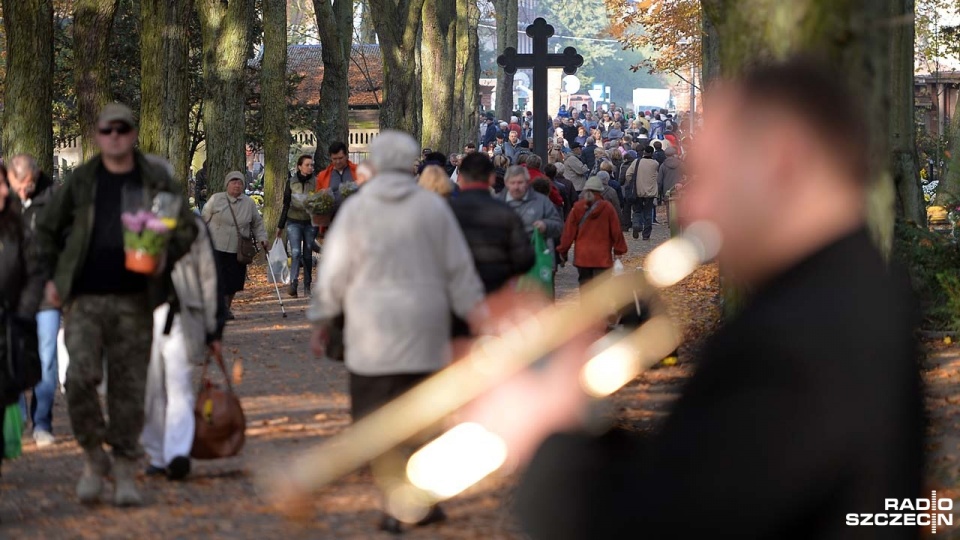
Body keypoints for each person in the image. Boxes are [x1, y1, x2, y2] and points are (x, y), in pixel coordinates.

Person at [460, 57, 922, 540]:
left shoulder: (800, 337)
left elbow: (667, 523)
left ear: (784, 160)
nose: (697, 205)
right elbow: (711, 480)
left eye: (713, 175)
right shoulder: (841, 296)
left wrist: (547, 438)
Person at [308, 131, 486, 534]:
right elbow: (458, 269)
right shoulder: (432, 208)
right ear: (409, 164)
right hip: (424, 326)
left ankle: (394, 498)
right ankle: (423, 494)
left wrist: (322, 319)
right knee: (424, 410)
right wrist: (476, 313)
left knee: (374, 416)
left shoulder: (356, 211)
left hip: (370, 330)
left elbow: (334, 272)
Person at [35, 103, 197, 506]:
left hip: (135, 300)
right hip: (85, 300)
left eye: (122, 129)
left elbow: (187, 225)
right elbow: (47, 230)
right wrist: (54, 279)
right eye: (107, 130)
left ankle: (125, 469)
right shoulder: (83, 178)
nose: (114, 137)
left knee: (129, 388)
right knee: (78, 380)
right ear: (97, 135)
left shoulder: (154, 177)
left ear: (133, 133)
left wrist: (166, 254)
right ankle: (93, 458)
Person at [141, 156, 224, 481]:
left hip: (181, 314)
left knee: (178, 384)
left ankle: (176, 453)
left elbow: (208, 276)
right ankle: (157, 453)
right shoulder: (129, 222)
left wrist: (213, 326)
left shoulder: (192, 226)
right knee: (149, 390)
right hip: (141, 316)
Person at [7, 155, 58, 447]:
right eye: (18, 187)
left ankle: (42, 421)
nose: (23, 193)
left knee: (47, 359)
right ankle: (20, 413)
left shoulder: (54, 199)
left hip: (45, 295)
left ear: (36, 176)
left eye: (27, 186)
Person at [0, 163, 43, 476]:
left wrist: (23, 313)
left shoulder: (16, 228)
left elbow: (34, 274)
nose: (5, 191)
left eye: (5, 183)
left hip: (8, 331)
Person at [450, 153, 535, 294]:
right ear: (492, 178)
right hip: (497, 295)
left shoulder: (447, 211)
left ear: (461, 178)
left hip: (458, 293)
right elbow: (524, 259)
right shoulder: (506, 213)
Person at [202, 171, 269, 320]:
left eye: (240, 182)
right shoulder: (216, 199)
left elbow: (257, 224)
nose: (237, 185)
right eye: (233, 182)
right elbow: (203, 219)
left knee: (233, 281)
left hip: (237, 248)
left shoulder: (249, 203)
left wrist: (263, 238)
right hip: (215, 245)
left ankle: (226, 307)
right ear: (227, 184)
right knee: (216, 278)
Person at [558, 176, 627, 287]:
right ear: (600, 191)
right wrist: (619, 251)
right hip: (602, 256)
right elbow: (616, 231)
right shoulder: (607, 208)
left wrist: (563, 251)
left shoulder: (577, 208)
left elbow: (568, 233)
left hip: (583, 256)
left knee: (585, 289)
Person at [277, 155, 318, 298]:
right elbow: (286, 204)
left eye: (312, 165)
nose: (310, 167)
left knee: (307, 254)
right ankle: (293, 284)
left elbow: (321, 202)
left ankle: (307, 286)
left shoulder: (316, 182)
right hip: (294, 221)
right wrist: (280, 226)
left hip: (310, 222)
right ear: (299, 167)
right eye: (307, 165)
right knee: (295, 253)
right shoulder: (291, 182)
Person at [498, 166, 564, 245]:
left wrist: (545, 225)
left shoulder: (542, 202)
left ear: (527, 182)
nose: (516, 187)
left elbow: (558, 226)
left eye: (520, 182)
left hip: (534, 252)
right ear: (506, 183)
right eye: (512, 183)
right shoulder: (496, 203)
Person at [625, 146, 659, 240]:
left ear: (644, 152)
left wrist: (632, 182)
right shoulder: (655, 163)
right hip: (650, 192)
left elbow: (628, 174)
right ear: (652, 153)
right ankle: (646, 234)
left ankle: (636, 224)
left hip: (637, 191)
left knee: (637, 211)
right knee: (648, 213)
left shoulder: (636, 162)